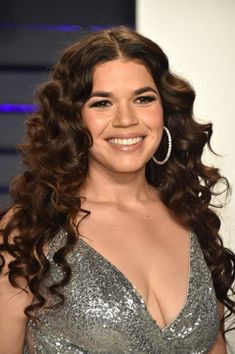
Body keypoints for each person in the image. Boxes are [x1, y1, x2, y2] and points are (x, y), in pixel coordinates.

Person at [0, 26, 234, 354]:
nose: (126, 119)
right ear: (74, 118)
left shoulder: (190, 215)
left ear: (165, 110)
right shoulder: (28, 231)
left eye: (143, 98)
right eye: (102, 103)